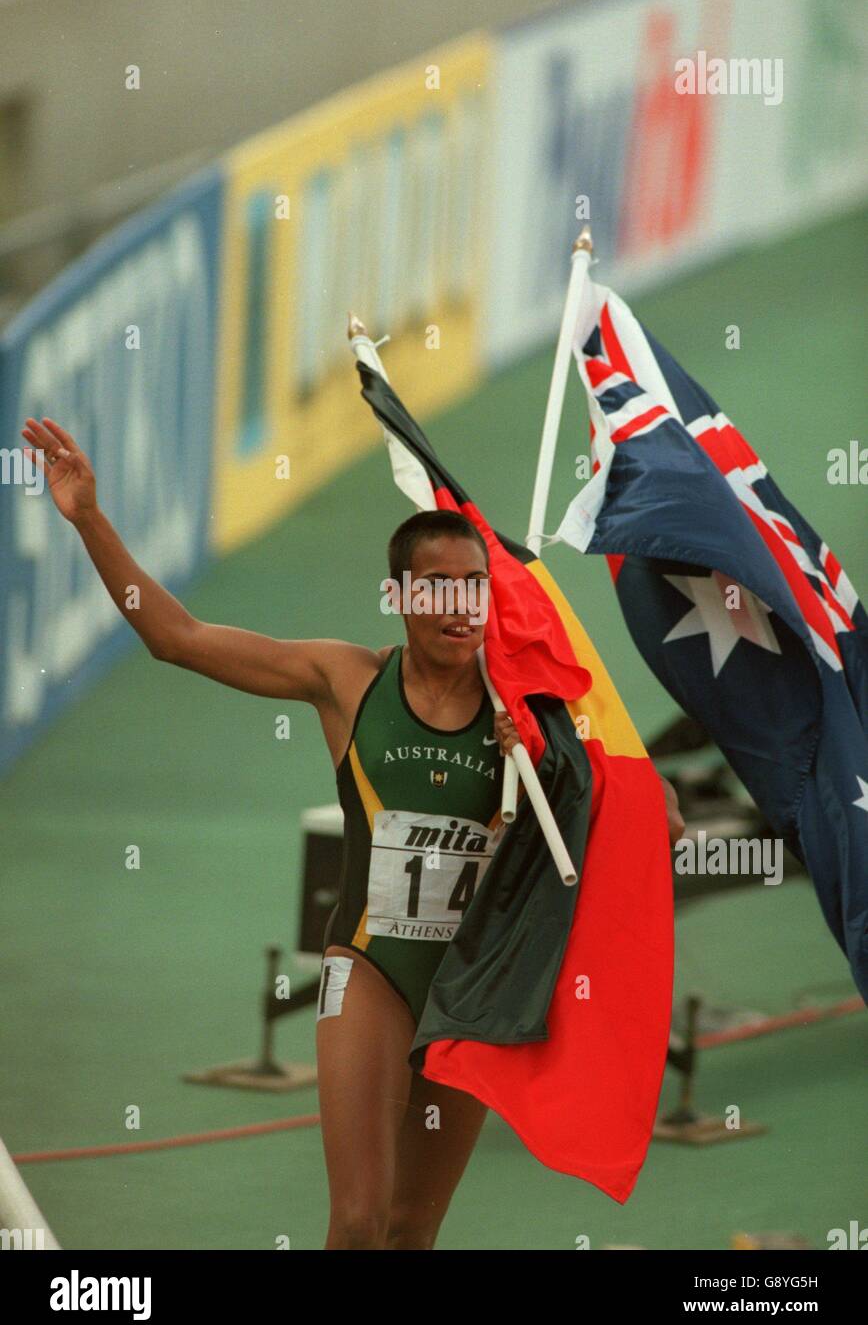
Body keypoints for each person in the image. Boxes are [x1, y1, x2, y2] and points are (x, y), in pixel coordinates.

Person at [21, 414, 684, 1250]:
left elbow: (652, 821)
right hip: (369, 970)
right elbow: (176, 640)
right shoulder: (344, 681)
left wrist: (562, 766)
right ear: (401, 595)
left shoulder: (532, 706)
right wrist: (87, 517)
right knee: (360, 1219)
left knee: (411, 1230)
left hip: (469, 990)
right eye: (437, 585)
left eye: (474, 584)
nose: (459, 604)